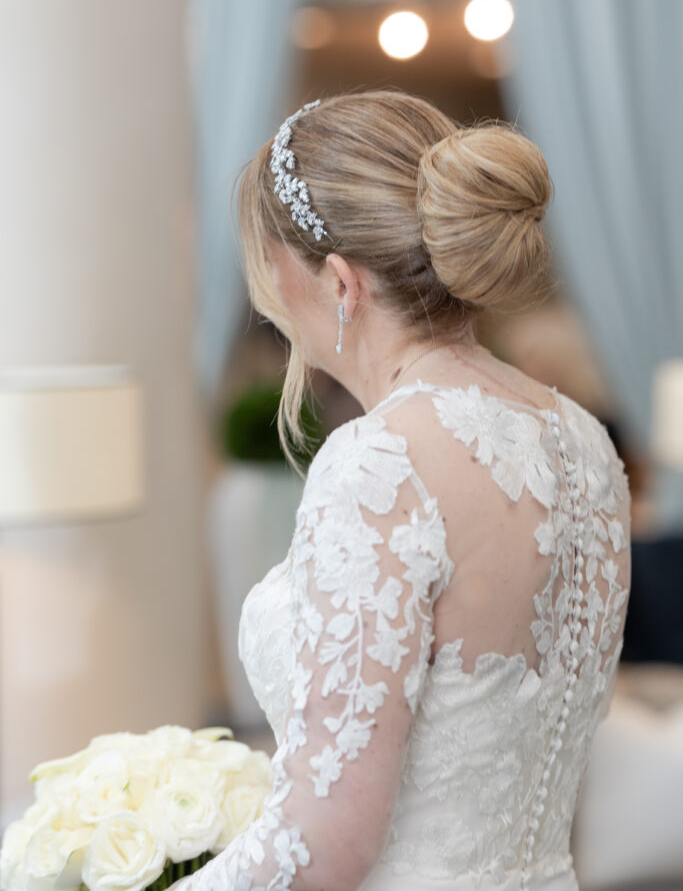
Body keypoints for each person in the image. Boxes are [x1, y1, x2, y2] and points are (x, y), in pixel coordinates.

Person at [173, 90, 631, 891]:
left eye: (273, 272)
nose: (270, 303)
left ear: (342, 285)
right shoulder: (581, 441)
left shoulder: (378, 465)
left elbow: (326, 843)